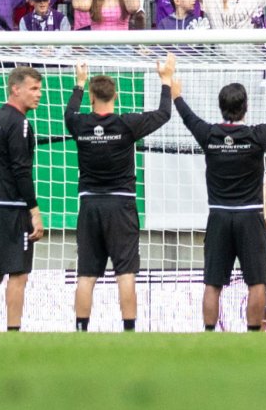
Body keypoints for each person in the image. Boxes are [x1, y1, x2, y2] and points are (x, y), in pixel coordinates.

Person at [177, 79, 266, 331]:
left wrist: (175, 93)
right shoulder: (256, 136)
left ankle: (209, 334)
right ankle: (254, 335)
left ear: (221, 106)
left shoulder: (209, 134)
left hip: (219, 216)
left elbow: (188, 117)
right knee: (257, 282)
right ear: (246, 106)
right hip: (249, 218)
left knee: (213, 283)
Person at [67, 55, 179, 331]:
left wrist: (79, 83)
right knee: (125, 272)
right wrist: (165, 80)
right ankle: (129, 330)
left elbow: (69, 113)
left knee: (86, 274)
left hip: (90, 204)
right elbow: (164, 113)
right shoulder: (127, 124)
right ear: (115, 96)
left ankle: (81, 330)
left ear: (92, 97)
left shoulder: (79, 124)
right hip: (122, 205)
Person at [0, 66, 45, 331]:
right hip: (11, 207)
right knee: (18, 273)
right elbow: (21, 170)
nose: (38, 94)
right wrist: (34, 211)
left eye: (39, 89)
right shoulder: (19, 122)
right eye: (33, 89)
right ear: (16, 89)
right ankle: (14, 332)